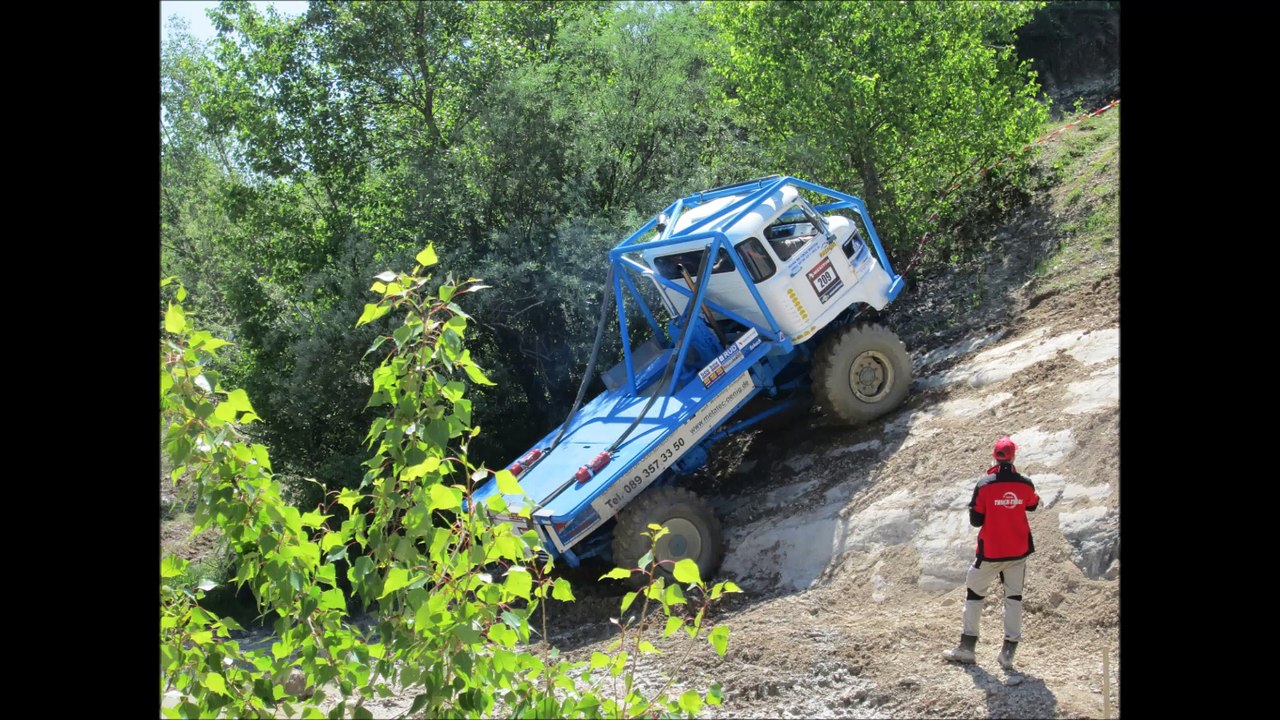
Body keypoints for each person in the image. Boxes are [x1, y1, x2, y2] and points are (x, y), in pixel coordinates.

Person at [942, 436, 1040, 670]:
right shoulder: (1025, 484)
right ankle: (1008, 653)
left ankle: (967, 648)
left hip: (990, 552)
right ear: (1014, 456)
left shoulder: (985, 484)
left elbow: (976, 520)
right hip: (1018, 551)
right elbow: (1033, 504)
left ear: (995, 457)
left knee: (975, 595)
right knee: (1014, 598)